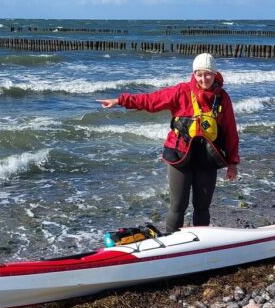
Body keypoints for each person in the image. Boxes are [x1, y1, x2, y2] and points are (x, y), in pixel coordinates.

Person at [97, 53, 240, 233]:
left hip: (207, 159)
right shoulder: (181, 92)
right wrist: (120, 100)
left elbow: (230, 131)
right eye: (199, 74)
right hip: (179, 157)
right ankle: (171, 244)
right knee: (178, 206)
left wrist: (233, 163)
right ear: (194, 74)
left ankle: (201, 246)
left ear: (215, 73)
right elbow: (151, 100)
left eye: (208, 74)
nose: (204, 79)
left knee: (202, 208)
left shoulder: (222, 98)